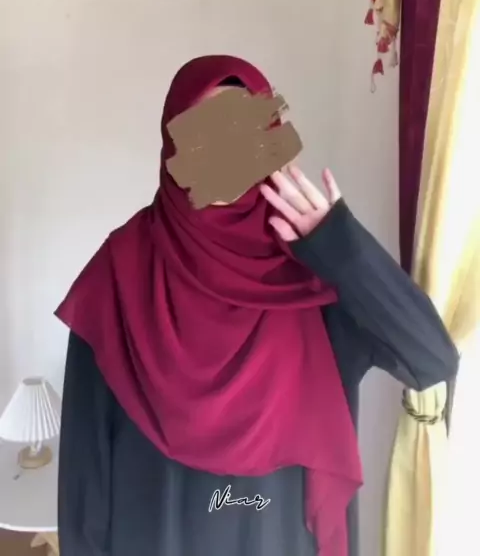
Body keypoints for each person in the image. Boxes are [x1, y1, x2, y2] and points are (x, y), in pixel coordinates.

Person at [56, 54, 458, 556]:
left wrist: (341, 244)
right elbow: (85, 476)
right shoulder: (120, 272)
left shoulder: (314, 272)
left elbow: (431, 359)